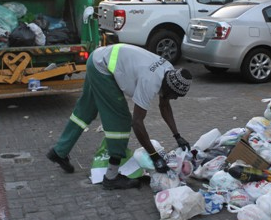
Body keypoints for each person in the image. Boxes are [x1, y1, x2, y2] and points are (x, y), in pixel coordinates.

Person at [47, 43, 192, 190]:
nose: (175, 99)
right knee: (121, 121)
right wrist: (155, 157)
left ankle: (59, 151)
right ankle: (111, 177)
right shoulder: (150, 82)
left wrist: (177, 135)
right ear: (168, 88)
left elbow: (165, 106)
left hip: (97, 58)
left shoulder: (169, 72)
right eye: (175, 96)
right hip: (103, 69)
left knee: (85, 111)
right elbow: (137, 123)